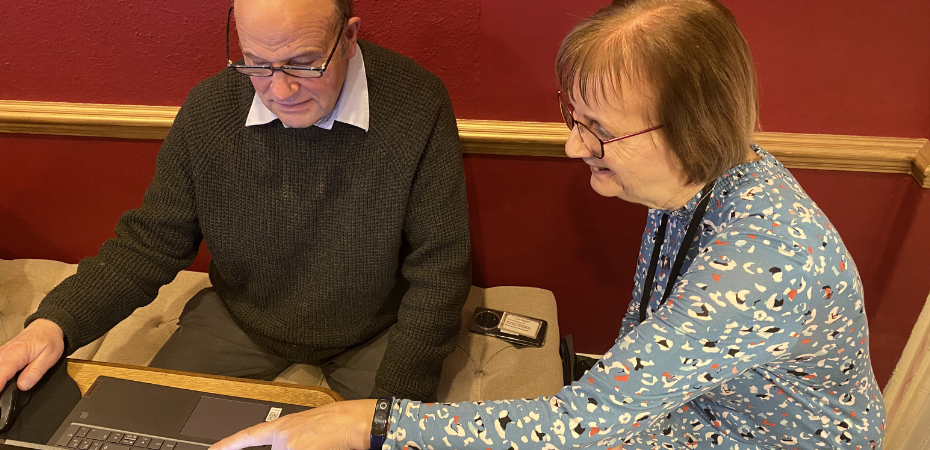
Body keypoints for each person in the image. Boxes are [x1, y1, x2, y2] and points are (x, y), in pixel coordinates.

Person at [211, 0, 887, 448]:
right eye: (573, 117)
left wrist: (371, 421)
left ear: (692, 128)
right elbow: (634, 370)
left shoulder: (762, 262)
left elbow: (584, 423)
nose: (572, 146)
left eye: (598, 129)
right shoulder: (695, 183)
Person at [0, 0, 471, 403]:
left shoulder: (417, 103)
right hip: (241, 319)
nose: (278, 91)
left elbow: (440, 270)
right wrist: (53, 324)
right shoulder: (210, 108)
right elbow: (149, 244)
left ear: (348, 39)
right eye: (256, 63)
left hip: (376, 331)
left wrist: (392, 405)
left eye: (304, 63)